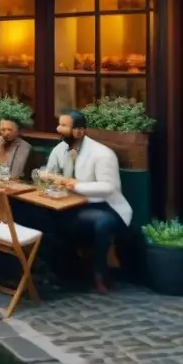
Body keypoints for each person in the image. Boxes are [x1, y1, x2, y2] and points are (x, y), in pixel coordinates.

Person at [45, 109, 132, 293]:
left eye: (64, 125)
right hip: (68, 203)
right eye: (59, 124)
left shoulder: (102, 154)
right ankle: (58, 271)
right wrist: (45, 176)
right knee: (44, 218)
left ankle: (100, 274)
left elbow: (109, 187)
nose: (58, 128)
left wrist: (74, 185)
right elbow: (49, 172)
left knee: (102, 223)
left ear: (79, 131)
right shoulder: (59, 149)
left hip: (104, 205)